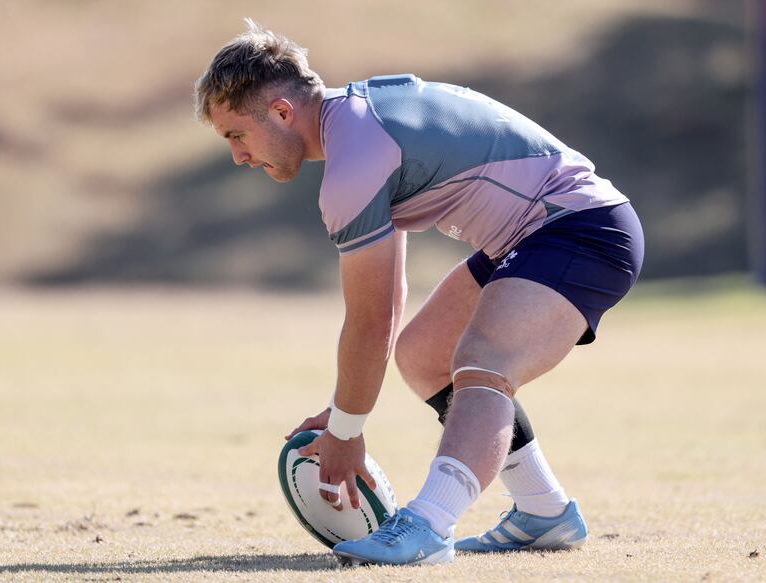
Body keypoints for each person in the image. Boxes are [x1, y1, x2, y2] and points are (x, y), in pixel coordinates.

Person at [194, 20, 644, 566]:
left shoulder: (354, 164)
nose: (238, 157)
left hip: (581, 227)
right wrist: (343, 417)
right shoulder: (360, 121)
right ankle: (543, 510)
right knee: (425, 355)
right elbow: (390, 297)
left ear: (283, 112)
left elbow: (369, 316)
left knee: (483, 362)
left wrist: (347, 431)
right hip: (536, 232)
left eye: (236, 135)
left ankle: (429, 524)